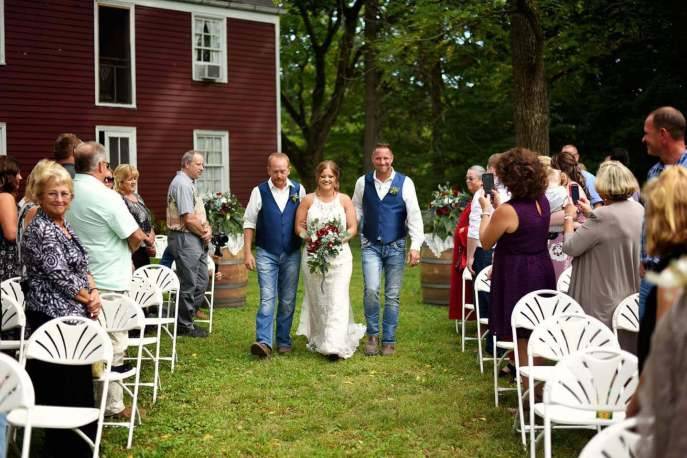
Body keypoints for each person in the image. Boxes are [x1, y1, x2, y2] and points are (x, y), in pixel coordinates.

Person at [21, 161, 101, 456]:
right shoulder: (41, 228)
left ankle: (79, 444)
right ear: (40, 197)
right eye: (53, 194)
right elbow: (59, 276)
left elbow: (83, 266)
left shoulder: (64, 226)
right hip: (51, 316)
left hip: (74, 315)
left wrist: (94, 291)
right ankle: (62, 447)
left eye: (65, 194)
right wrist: (88, 297)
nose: (60, 199)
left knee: (77, 381)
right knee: (60, 385)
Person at [67, 141, 146, 419]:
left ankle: (84, 399)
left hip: (76, 280)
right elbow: (136, 236)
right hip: (110, 278)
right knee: (113, 342)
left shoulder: (67, 191)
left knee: (82, 343)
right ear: (101, 167)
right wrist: (128, 250)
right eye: (108, 166)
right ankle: (113, 405)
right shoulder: (107, 196)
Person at [478, 147, 555, 368]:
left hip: (517, 272)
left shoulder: (507, 211)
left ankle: (530, 390)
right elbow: (523, 226)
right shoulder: (542, 201)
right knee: (536, 328)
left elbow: (485, 241)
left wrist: (486, 211)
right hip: (541, 266)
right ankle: (534, 384)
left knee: (521, 332)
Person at [352, 143, 424, 356]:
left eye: (386, 158)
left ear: (392, 159)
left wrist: (416, 246)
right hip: (370, 245)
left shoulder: (405, 182)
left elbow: (414, 214)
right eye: (378, 159)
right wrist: (352, 229)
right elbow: (356, 208)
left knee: (392, 295)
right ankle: (372, 335)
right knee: (372, 290)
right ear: (373, 160)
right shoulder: (362, 182)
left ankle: (389, 339)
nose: (382, 162)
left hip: (396, 245)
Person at [562, 161, 643, 351]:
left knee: (598, 352)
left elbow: (570, 247)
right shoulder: (640, 210)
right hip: (631, 294)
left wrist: (568, 218)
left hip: (602, 296)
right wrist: (592, 213)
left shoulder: (602, 217)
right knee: (627, 351)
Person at [295, 161, 364, 360]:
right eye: (323, 176)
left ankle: (334, 345)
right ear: (317, 178)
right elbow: (298, 226)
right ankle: (320, 336)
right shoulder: (308, 200)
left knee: (337, 298)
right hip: (313, 257)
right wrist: (309, 237)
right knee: (318, 298)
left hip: (340, 258)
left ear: (336, 179)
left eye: (330, 176)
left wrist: (336, 240)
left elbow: (352, 228)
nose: (326, 179)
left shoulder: (344, 200)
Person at [243, 152, 306, 358]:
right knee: (268, 298)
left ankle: (284, 340)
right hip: (266, 252)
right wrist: (247, 253)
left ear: (288, 169)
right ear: (268, 170)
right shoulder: (259, 191)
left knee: (287, 299)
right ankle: (264, 341)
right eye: (275, 171)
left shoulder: (299, 189)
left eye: (283, 171)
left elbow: (306, 219)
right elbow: (249, 223)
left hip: (292, 252)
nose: (279, 175)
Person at [638, 106, 687, 323]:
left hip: (679, 275)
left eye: (647, 133)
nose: (643, 139)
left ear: (663, 134)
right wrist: (644, 258)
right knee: (648, 343)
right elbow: (649, 220)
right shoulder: (653, 172)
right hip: (651, 273)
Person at [466, 153, 510, 355]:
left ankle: (503, 346)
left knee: (501, 297)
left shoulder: (512, 190)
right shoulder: (481, 195)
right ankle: (491, 344)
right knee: (486, 296)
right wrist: (471, 255)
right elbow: (474, 227)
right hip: (486, 247)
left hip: (505, 248)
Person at [166, 150, 212, 338]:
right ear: (186, 164)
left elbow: (197, 215)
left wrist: (206, 229)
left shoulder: (188, 184)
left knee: (202, 280)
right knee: (190, 282)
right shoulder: (182, 184)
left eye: (202, 164)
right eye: (198, 164)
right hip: (185, 238)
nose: (202, 168)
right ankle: (184, 325)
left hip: (195, 238)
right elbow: (188, 219)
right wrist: (204, 234)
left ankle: (183, 317)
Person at [448, 165, 483, 321]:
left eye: (471, 178)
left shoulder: (481, 197)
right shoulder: (474, 197)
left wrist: (463, 232)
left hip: (476, 248)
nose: (468, 181)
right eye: (466, 178)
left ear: (482, 180)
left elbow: (480, 225)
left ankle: (483, 325)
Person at [114, 164, 156, 269]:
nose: (133, 182)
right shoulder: (119, 199)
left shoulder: (138, 197)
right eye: (130, 179)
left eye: (135, 178)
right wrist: (147, 240)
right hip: (131, 249)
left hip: (144, 248)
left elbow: (147, 220)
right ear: (121, 181)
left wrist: (151, 242)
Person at [0, 155, 22, 283]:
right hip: (7, 261)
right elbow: (11, 234)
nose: (20, 177)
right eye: (16, 174)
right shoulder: (5, 197)